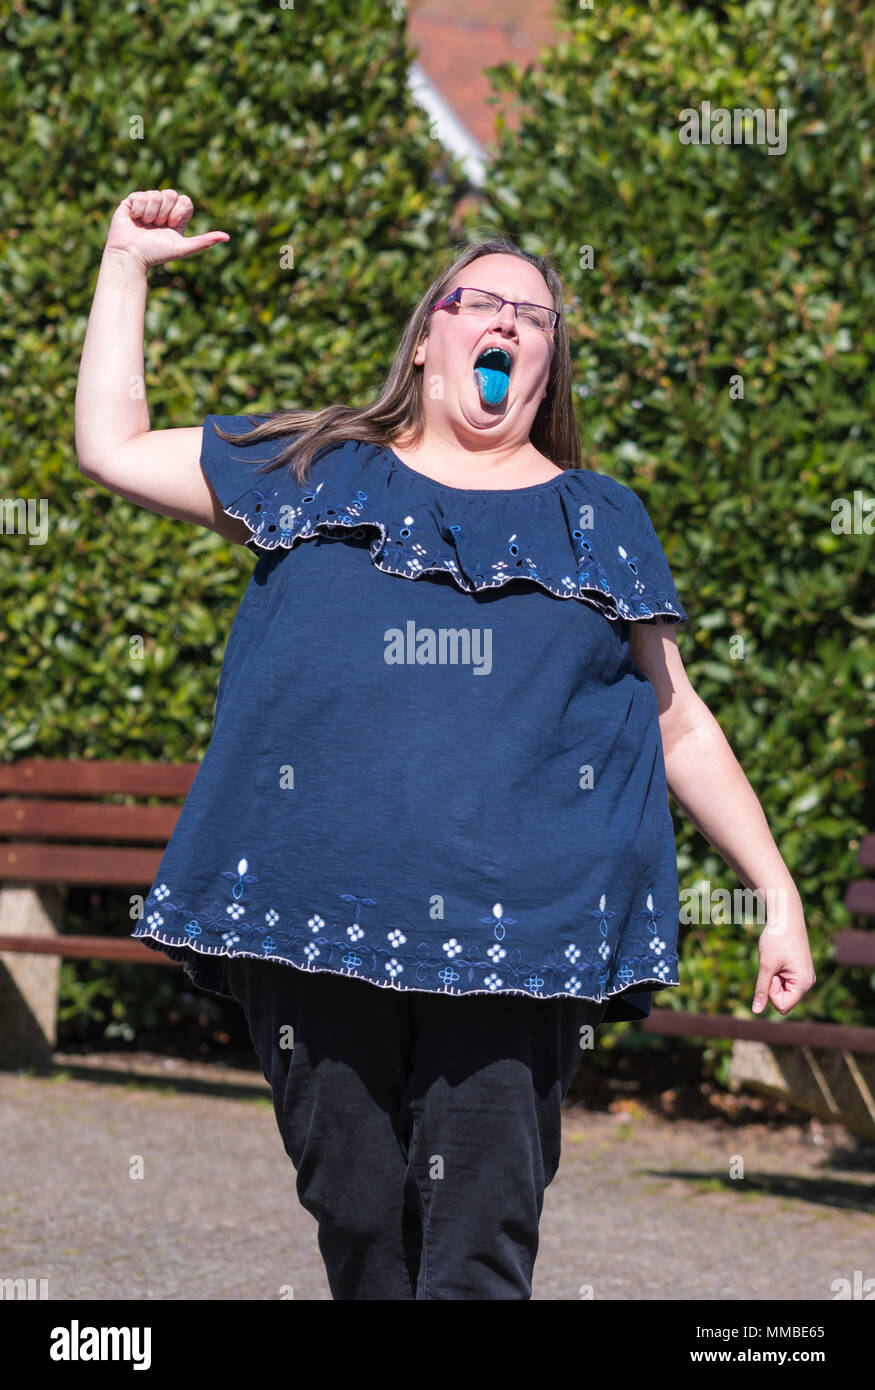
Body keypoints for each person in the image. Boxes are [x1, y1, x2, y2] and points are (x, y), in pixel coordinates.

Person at [75, 189, 816, 1301]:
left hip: (517, 942)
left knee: (473, 1255)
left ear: (544, 368)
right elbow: (113, 446)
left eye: (535, 315)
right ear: (428, 340)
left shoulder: (597, 519)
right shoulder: (316, 467)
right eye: (481, 301)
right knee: (362, 1227)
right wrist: (126, 263)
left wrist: (774, 888)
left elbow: (676, 717)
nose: (508, 323)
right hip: (313, 921)